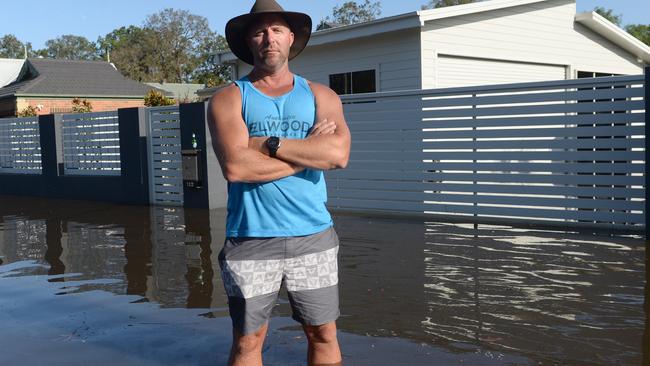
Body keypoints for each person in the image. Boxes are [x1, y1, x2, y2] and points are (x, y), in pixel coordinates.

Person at [207, 1, 351, 365]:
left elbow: (337, 155)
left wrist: (269, 145)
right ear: (249, 42)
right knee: (248, 342)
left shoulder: (322, 96)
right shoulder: (228, 98)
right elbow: (236, 167)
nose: (268, 38)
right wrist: (308, 155)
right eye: (259, 31)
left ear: (290, 38)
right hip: (250, 238)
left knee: (323, 334)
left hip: (314, 236)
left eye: (276, 30)